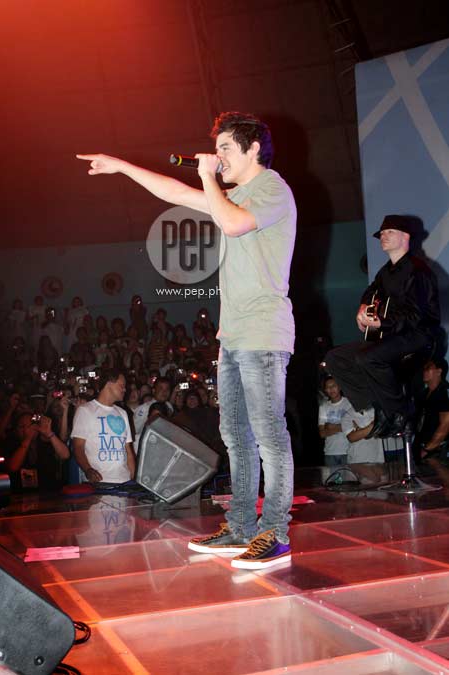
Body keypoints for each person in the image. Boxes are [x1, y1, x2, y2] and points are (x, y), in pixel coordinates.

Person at [77, 110, 296, 569]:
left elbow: (233, 224)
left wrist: (208, 178)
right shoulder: (230, 195)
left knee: (268, 435)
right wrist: (123, 166)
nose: (218, 157)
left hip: (263, 332)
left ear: (254, 149)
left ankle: (274, 533)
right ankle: (241, 527)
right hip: (233, 337)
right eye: (216, 151)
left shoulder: (273, 189)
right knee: (235, 436)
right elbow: (176, 193)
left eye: (225, 149)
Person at [326, 215, 440, 439]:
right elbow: (372, 291)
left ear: (405, 237)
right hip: (390, 339)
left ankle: (401, 412)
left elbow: (416, 315)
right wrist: (363, 307)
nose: (383, 236)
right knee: (335, 358)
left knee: (368, 357)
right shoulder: (386, 272)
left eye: (390, 232)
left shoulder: (418, 271)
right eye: (382, 233)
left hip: (418, 336)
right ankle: (380, 407)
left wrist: (381, 322)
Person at [71, 369, 135, 484]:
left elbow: (128, 449)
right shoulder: (85, 410)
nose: (125, 389)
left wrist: (132, 477)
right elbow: (78, 447)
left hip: (124, 482)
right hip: (100, 482)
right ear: (109, 384)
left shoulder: (122, 413)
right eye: (122, 385)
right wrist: (88, 470)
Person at [415, 358, 449, 462]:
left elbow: (445, 425)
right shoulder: (423, 394)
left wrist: (427, 449)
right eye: (424, 368)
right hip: (422, 447)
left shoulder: (444, 393)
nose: (424, 371)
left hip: (436, 450)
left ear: (439, 371)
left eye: (428, 368)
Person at [318, 376, 351, 467]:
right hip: (330, 452)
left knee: (349, 476)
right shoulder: (323, 407)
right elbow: (322, 433)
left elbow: (355, 425)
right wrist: (343, 427)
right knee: (331, 476)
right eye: (328, 387)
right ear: (325, 390)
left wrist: (331, 426)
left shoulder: (349, 403)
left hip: (348, 451)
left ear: (339, 387)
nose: (331, 389)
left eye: (333, 386)